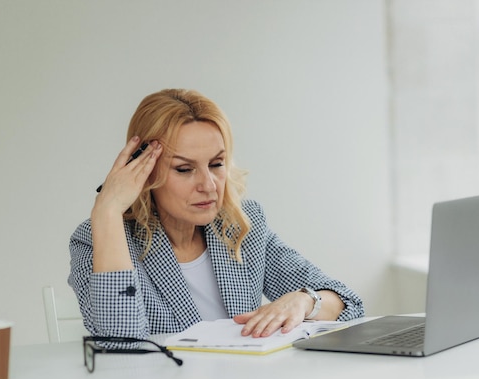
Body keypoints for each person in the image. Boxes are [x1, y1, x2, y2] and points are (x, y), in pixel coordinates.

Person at [68, 88, 364, 340]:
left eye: (217, 164)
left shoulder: (240, 225)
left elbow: (348, 303)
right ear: (142, 171)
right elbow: (121, 342)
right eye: (184, 169)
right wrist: (107, 210)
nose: (208, 185)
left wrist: (304, 301)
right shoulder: (98, 239)